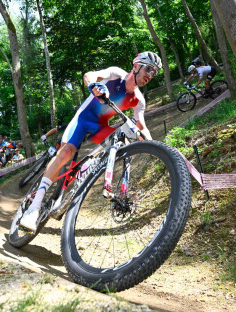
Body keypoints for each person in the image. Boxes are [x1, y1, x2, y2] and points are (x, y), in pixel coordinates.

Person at [19, 51, 161, 231]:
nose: (150, 74)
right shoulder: (117, 74)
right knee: (67, 152)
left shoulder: (139, 100)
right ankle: (34, 207)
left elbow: (142, 126)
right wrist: (94, 85)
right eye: (148, 69)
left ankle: (88, 170)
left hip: (100, 126)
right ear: (136, 66)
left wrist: (156, 145)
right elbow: (90, 75)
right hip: (83, 119)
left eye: (154, 72)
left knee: (121, 141)